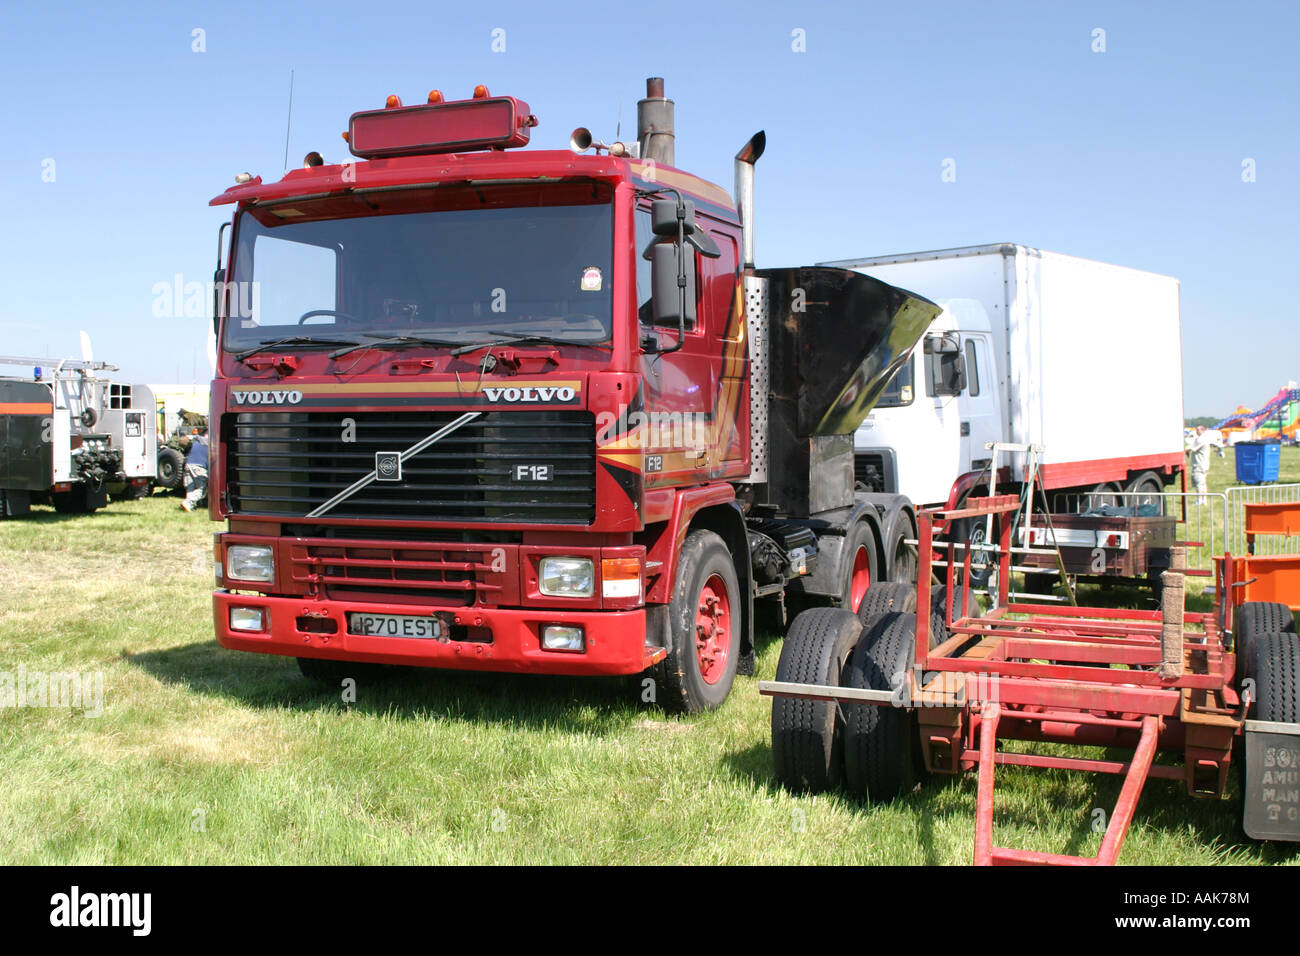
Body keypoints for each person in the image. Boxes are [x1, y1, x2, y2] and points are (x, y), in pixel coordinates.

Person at [1186, 424, 1220, 504]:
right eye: (1196, 429)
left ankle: (1199, 499)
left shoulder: (1200, 439)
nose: (1197, 431)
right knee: (1203, 483)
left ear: (1203, 430)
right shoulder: (1205, 438)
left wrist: (1183, 451)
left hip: (1199, 464)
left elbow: (1191, 449)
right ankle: (1204, 499)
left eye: (1198, 429)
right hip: (1204, 464)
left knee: (1199, 483)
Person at [181, 429, 209, 512]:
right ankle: (188, 502)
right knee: (202, 488)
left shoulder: (196, 441)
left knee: (191, 487)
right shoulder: (209, 443)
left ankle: (190, 506)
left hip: (188, 465)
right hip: (199, 467)